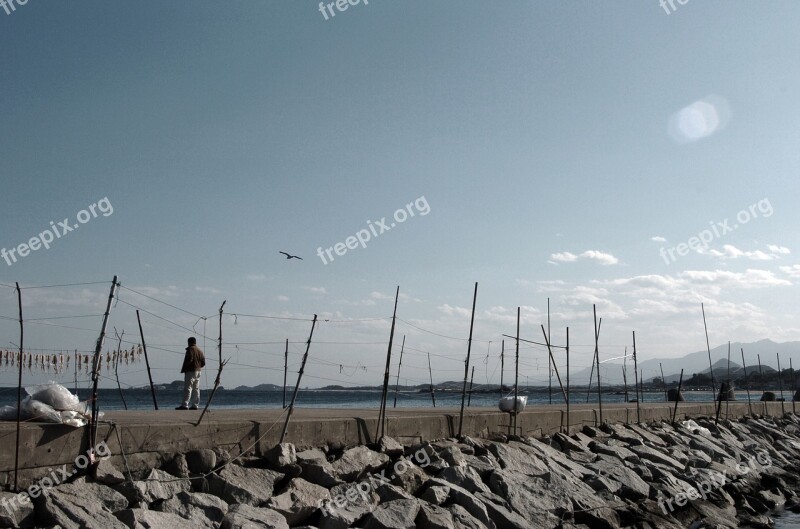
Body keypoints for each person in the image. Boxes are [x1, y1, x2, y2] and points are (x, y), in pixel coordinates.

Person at [177, 337, 205, 410]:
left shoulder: (190, 350)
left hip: (191, 371)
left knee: (188, 388)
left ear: (189, 342)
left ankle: (185, 405)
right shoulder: (200, 351)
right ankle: (195, 405)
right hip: (198, 371)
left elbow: (189, 360)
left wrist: (185, 368)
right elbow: (203, 363)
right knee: (196, 389)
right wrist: (198, 366)